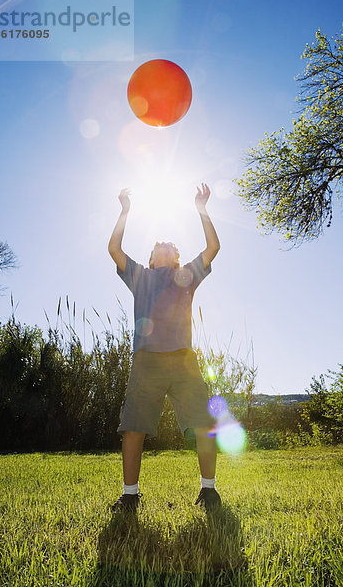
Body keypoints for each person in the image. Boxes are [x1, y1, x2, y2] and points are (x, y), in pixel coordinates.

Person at [108, 183, 221, 512]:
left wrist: (202, 208)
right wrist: (124, 210)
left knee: (203, 424)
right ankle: (130, 496)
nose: (166, 247)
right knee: (134, 426)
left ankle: (209, 491)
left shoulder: (186, 276)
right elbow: (114, 249)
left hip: (184, 362)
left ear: (176, 258)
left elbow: (213, 247)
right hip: (146, 362)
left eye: (171, 246)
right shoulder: (139, 276)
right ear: (152, 257)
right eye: (160, 246)